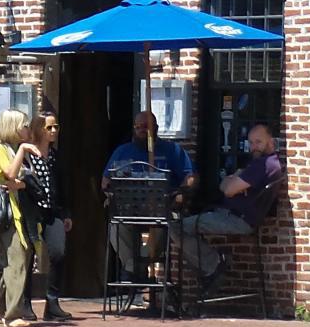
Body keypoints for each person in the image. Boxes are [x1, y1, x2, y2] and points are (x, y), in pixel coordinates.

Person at [177, 123, 286, 292]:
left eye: (258, 142)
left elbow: (227, 189)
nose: (254, 147)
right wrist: (234, 180)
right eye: (251, 143)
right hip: (231, 215)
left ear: (271, 141)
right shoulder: (268, 163)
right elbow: (227, 186)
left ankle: (213, 264)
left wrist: (233, 178)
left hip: (236, 219)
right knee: (182, 222)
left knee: (177, 227)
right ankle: (208, 267)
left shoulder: (263, 165)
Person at [103, 111, 195, 282]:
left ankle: (136, 267)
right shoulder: (123, 151)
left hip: (163, 209)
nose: (141, 130)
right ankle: (135, 268)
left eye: (145, 126)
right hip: (131, 209)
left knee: (164, 227)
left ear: (156, 128)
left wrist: (180, 193)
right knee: (117, 227)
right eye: (137, 127)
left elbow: (189, 177)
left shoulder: (171, 150)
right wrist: (112, 193)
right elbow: (105, 181)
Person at [0, 108, 39, 327]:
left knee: (20, 258)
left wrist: (20, 183)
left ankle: (0, 304)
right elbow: (9, 174)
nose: (27, 129)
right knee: (16, 260)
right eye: (24, 126)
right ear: (13, 128)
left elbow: (23, 181)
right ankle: (12, 315)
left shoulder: (16, 150)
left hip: (22, 212)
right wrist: (23, 150)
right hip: (8, 213)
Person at [25, 113, 73, 321]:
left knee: (58, 252)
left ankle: (52, 302)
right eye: (49, 128)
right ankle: (25, 303)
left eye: (56, 127)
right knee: (28, 257)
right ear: (39, 129)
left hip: (53, 211)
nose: (53, 131)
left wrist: (66, 213)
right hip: (33, 212)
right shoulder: (28, 154)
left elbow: (62, 186)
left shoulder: (55, 156)